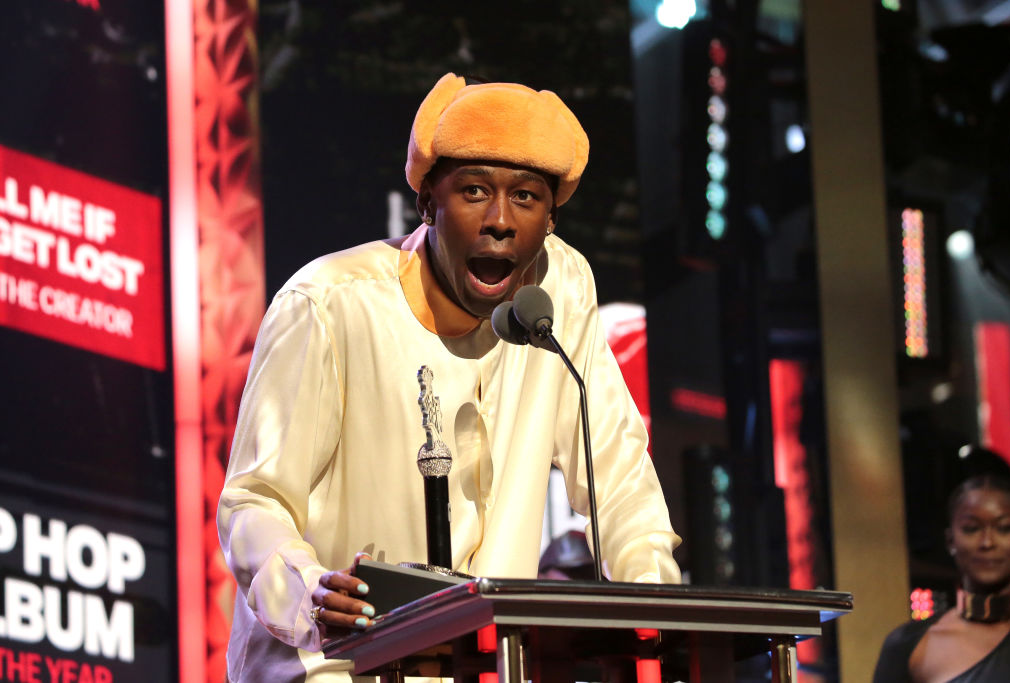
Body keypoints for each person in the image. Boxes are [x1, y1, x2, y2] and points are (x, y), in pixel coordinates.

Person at [217, 73, 682, 682]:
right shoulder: (329, 306)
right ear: (426, 203)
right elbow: (254, 502)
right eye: (474, 191)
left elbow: (618, 477)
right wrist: (308, 593)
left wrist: (655, 602)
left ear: (551, 219)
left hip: (485, 666)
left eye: (526, 197)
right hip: (332, 667)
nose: (500, 220)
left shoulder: (560, 289)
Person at [873, 450, 1010, 682]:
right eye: (971, 528)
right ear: (951, 541)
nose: (987, 542)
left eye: (1004, 528)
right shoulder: (908, 645)